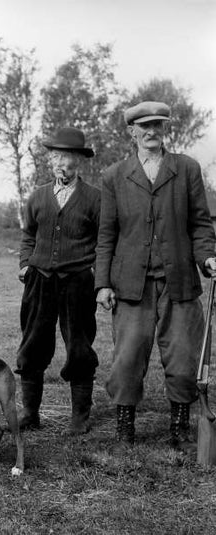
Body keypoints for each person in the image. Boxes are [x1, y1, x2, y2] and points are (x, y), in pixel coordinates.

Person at [95, 101, 216, 447]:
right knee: (128, 355)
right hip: (131, 285)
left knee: (182, 354)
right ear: (131, 132)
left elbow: (200, 225)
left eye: (157, 126)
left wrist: (207, 258)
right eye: (144, 127)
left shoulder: (187, 169)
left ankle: (179, 424)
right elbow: (106, 235)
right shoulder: (114, 176)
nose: (151, 132)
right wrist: (102, 283)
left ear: (165, 130)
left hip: (179, 282)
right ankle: (125, 425)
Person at [16, 127, 100, 435]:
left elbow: (104, 243)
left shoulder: (94, 199)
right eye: (55, 156)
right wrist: (26, 263)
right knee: (33, 343)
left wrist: (100, 281)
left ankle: (80, 416)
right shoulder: (38, 196)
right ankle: (30, 413)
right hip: (39, 280)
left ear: (79, 161)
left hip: (77, 281)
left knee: (79, 345)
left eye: (66, 157)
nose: (60, 163)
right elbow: (28, 234)